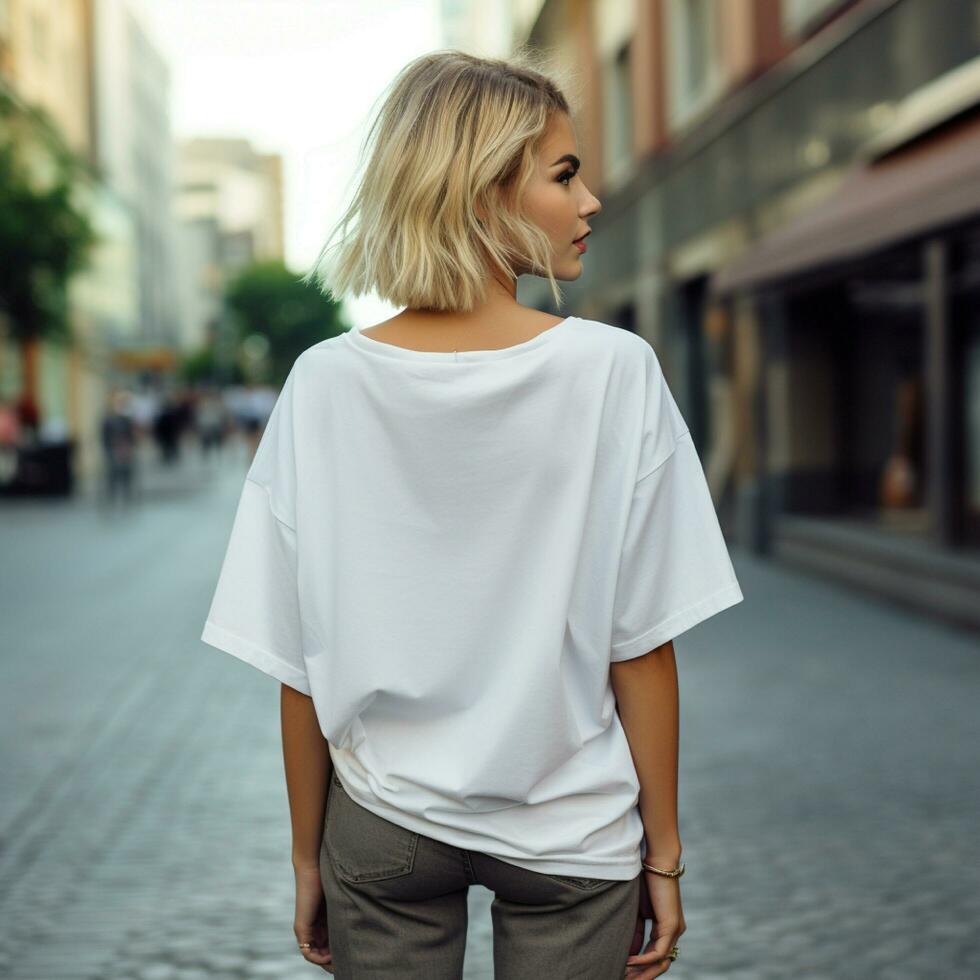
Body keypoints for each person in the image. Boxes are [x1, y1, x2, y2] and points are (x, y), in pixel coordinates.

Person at [201, 48, 744, 980]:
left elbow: (298, 663)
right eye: (564, 174)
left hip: (380, 823)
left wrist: (306, 858)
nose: (592, 201)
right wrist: (663, 851)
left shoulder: (323, 383)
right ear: (485, 191)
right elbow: (641, 642)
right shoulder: (614, 372)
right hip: (570, 824)